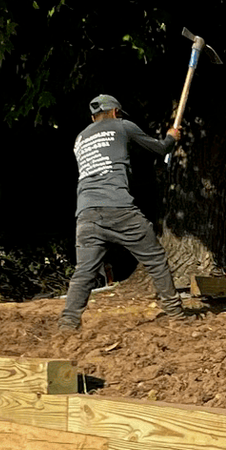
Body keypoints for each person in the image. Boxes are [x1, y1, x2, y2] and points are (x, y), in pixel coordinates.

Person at [56, 94, 189, 331]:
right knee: (155, 258)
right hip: (118, 209)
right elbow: (160, 148)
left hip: (86, 213)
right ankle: (176, 314)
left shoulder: (80, 139)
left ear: (93, 117)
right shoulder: (122, 126)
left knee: (84, 272)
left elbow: (108, 166)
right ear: (116, 112)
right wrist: (171, 137)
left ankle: (68, 323)